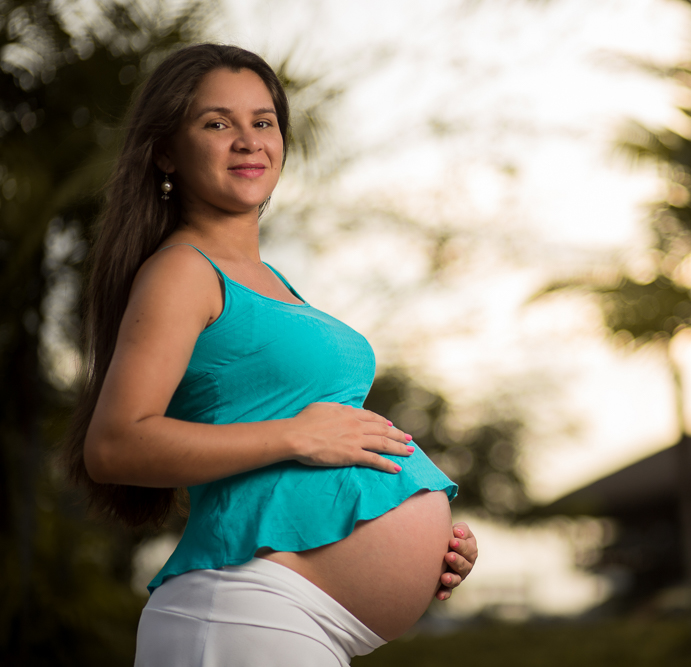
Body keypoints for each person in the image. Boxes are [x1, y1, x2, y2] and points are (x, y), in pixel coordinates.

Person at [63, 43, 477, 666]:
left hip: (284, 619)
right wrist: (297, 436)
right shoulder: (182, 271)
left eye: (263, 122)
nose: (248, 140)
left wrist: (425, 540)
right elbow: (114, 446)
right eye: (216, 123)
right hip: (245, 608)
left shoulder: (269, 282)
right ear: (166, 151)